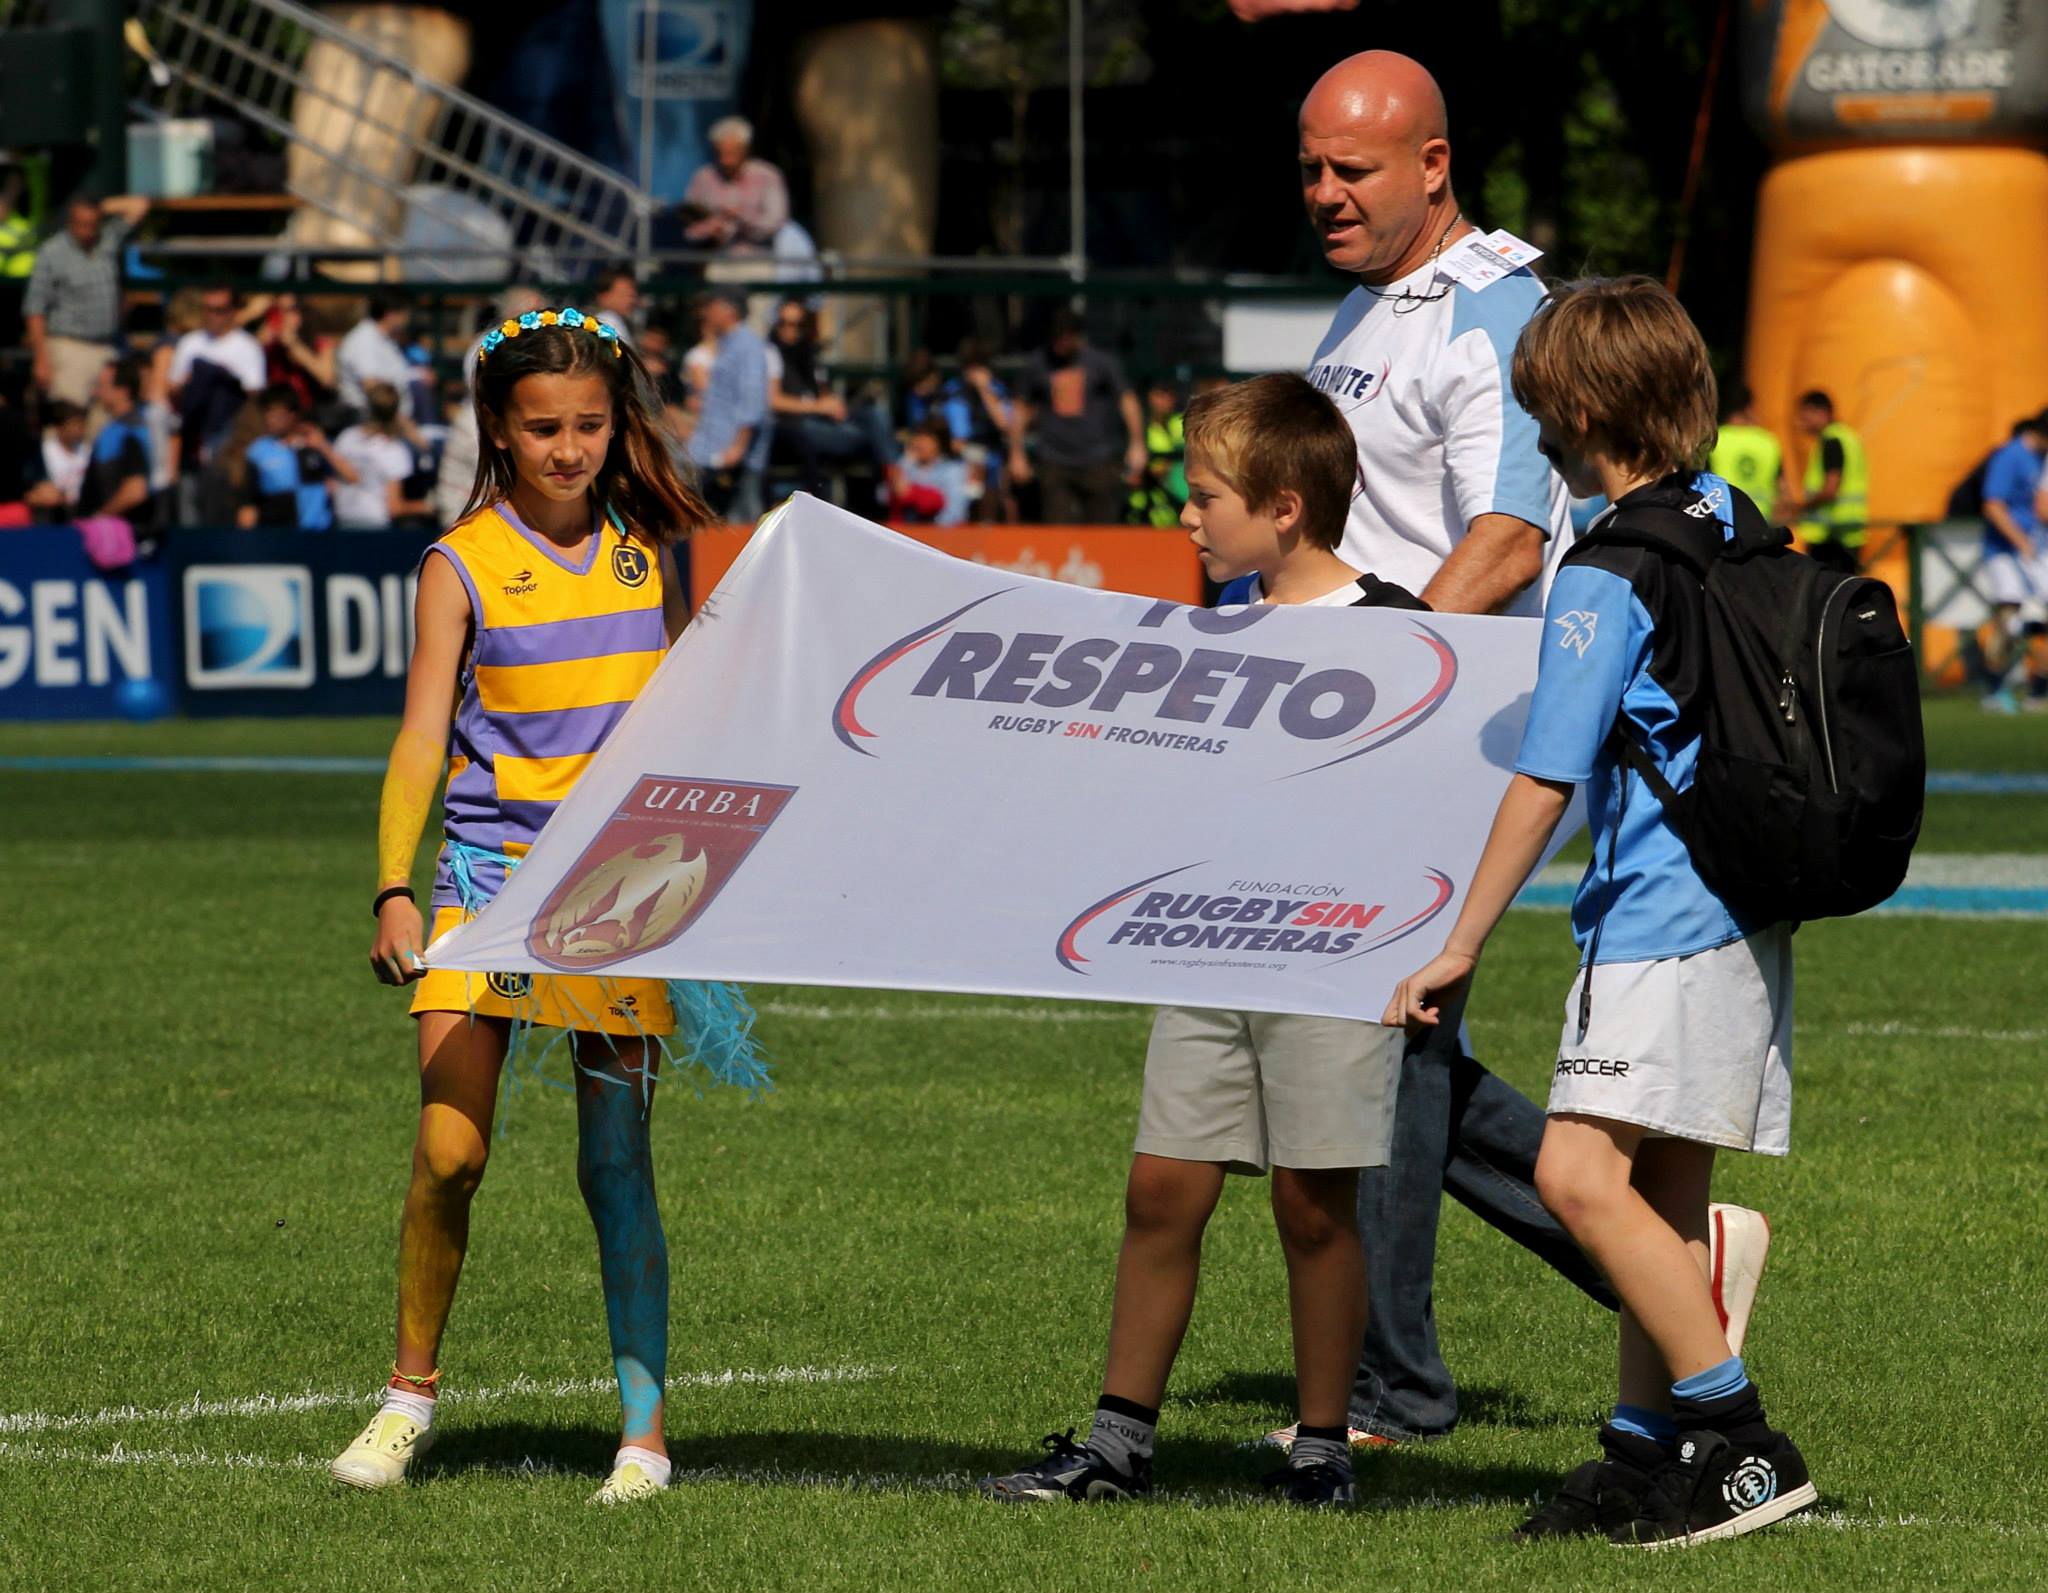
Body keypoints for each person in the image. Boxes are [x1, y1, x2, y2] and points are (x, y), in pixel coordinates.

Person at [1291, 49, 1771, 1452]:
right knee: (1392, 1045)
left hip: (1457, 731)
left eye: (1352, 168)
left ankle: (1391, 1389)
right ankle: (1668, 1269)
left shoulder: (1494, 308)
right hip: (1387, 727)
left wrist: (1377, 692)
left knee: (1379, 1038)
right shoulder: (1367, 304)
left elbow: (1507, 540)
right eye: (1310, 167)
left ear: (1433, 165)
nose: (1324, 192)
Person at [1387, 277, 1815, 1547]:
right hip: (1745, 906)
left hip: (1655, 918)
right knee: (1661, 1194)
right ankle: (1641, 1448)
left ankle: (1740, 1442)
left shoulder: (1606, 567)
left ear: (1574, 410)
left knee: (1574, 1176)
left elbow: (1545, 774)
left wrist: (1457, 942)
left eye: (1538, 409)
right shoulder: (1726, 516)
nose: (1537, 433)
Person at [330, 302, 758, 1506]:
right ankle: (407, 1400)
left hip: (618, 899)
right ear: (499, 432)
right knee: (449, 1154)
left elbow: (677, 727)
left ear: (617, 424)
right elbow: (422, 735)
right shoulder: (458, 563)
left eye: (588, 424)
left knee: (616, 1165)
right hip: (482, 888)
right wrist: (394, 887)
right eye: (542, 428)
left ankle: (644, 1439)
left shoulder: (648, 553)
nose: (568, 448)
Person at [979, 374, 1421, 1511]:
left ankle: (1321, 1449)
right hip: (1205, 954)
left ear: (1283, 508)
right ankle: (1117, 1443)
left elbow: (1427, 810)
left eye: (1205, 496)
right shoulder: (1210, 624)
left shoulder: (1398, 628)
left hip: (1332, 965)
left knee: (1312, 1209)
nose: (1185, 516)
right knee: (1160, 1192)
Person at [1009, 310, 1146, 524]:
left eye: (1066, 338)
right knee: (1057, 527)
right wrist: (1016, 454)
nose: (1061, 345)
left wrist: (1137, 444)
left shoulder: (1100, 362)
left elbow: (1127, 400)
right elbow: (1020, 408)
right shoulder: (1038, 363)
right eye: (1057, 339)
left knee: (1103, 528)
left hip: (1098, 458)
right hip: (1054, 459)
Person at [23, 194, 150, 407]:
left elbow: (140, 206)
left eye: (92, 225)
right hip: (70, 349)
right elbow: (35, 309)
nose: (87, 231)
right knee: (70, 414)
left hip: (109, 348)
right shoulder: (52, 252)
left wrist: (100, 207)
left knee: (105, 417)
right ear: (70, 222)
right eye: (81, 224)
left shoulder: (107, 239)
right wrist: (41, 358)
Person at [766, 298, 892, 506]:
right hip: (793, 427)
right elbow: (774, 400)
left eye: (797, 324)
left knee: (875, 414)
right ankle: (888, 483)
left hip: (823, 420)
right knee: (861, 435)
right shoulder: (771, 353)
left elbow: (822, 392)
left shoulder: (809, 353)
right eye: (784, 323)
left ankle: (892, 475)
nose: (790, 330)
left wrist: (833, 404)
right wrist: (818, 406)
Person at [1976, 410, 2048, 714]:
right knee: (2009, 616)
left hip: (2036, 553)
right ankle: (1994, 688)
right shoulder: (2010, 456)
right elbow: (1993, 505)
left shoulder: (2040, 459)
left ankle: (2038, 690)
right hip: (2005, 552)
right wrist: (2021, 541)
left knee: (2040, 621)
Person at [684, 289, 772, 522]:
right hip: (714, 452)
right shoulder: (728, 344)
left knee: (743, 524)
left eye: (711, 306)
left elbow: (752, 399)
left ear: (728, 310)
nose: (706, 313)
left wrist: (738, 446)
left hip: (737, 460)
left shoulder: (747, 346)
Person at [240, 383, 356, 530]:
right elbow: (249, 503)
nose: (271, 420)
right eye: (268, 414)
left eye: (277, 415)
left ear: (292, 415)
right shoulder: (258, 451)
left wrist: (324, 447)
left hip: (318, 534)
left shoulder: (314, 444)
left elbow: (351, 477)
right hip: (277, 535)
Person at [681, 117, 790, 255]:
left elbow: (776, 222)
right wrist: (709, 229)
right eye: (720, 153)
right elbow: (689, 224)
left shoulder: (768, 176)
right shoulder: (703, 178)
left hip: (756, 258)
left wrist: (741, 217)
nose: (725, 161)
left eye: (731, 154)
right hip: (714, 257)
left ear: (745, 150)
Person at [1789, 389, 1867, 575]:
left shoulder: (1831, 440)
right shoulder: (1848, 437)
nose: (1800, 422)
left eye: (1804, 415)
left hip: (1831, 537)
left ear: (1820, 412)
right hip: (1849, 532)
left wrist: (1800, 507)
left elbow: (1830, 489)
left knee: (1825, 587)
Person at [333, 381, 430, 529]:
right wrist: (426, 506)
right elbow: (394, 508)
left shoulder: (346, 438)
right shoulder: (394, 451)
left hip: (342, 520)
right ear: (396, 412)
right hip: (375, 526)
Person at [78, 360, 159, 534]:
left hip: (124, 535)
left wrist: (99, 517)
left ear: (123, 391)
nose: (95, 392)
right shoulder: (115, 429)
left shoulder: (132, 431)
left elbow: (135, 490)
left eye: (101, 386)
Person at [1706, 381, 1782, 520]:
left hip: (1724, 518)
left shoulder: (1714, 440)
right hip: (1761, 518)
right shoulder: (1768, 441)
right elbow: (1783, 487)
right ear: (1749, 406)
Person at [884, 417, 970, 526]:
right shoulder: (908, 464)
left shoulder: (952, 470)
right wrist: (905, 464)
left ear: (939, 443)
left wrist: (915, 495)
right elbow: (883, 496)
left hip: (934, 530)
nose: (919, 444)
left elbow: (955, 513)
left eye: (925, 439)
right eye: (917, 437)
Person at [337, 298, 415, 417]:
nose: (407, 320)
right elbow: (372, 386)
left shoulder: (386, 339)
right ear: (390, 315)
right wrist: (405, 424)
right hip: (374, 420)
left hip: (392, 419)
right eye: (405, 314)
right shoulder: (363, 340)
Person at [1127, 378, 1188, 527]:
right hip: (1147, 510)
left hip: (1182, 504)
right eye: (1160, 394)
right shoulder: (1138, 431)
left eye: (1170, 394)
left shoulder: (1182, 423)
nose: (1166, 399)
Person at [38, 400, 89, 518]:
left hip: (81, 512)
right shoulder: (46, 452)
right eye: (73, 424)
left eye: (81, 424)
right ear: (59, 427)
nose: (79, 429)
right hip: (54, 514)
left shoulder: (87, 451)